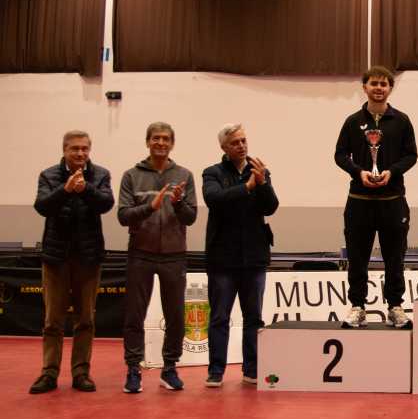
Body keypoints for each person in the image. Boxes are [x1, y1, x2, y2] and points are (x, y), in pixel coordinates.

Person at [29, 130, 114, 395]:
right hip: (56, 258)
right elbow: (42, 206)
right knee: (52, 321)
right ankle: (49, 373)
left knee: (85, 319)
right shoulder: (48, 175)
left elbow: (106, 204)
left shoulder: (101, 175)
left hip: (88, 259)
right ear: (64, 150)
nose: (80, 153)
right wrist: (65, 190)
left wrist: (85, 189)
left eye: (84, 149)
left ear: (89, 150)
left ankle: (81, 373)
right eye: (74, 148)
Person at [335, 66, 418, 329]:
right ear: (365, 87)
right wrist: (358, 172)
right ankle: (357, 307)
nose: (379, 88)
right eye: (374, 83)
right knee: (357, 259)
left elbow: (411, 155)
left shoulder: (402, 121)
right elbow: (340, 154)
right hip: (359, 201)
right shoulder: (352, 121)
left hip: (393, 202)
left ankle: (395, 307)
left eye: (383, 84)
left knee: (395, 259)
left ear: (390, 88)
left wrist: (392, 172)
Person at [118, 122, 198, 393]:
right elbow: (122, 216)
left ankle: (169, 368)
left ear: (172, 143)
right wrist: (148, 208)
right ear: (147, 142)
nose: (161, 143)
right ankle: (133, 369)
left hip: (174, 255)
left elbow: (191, 217)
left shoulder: (184, 175)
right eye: (155, 138)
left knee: (175, 315)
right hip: (140, 253)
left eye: (165, 139)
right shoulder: (131, 175)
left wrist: (178, 203)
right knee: (134, 314)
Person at [202, 124, 279, 387]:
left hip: (254, 257)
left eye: (244, 140)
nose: (242, 146)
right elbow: (214, 200)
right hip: (222, 259)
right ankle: (216, 371)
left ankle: (252, 369)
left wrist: (263, 183)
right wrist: (247, 187)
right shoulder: (212, 173)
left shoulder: (258, 170)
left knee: (254, 318)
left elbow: (271, 207)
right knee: (219, 317)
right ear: (224, 147)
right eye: (235, 142)